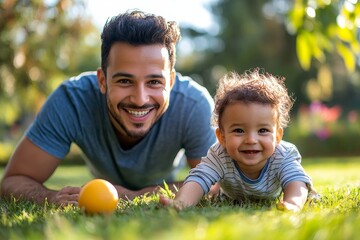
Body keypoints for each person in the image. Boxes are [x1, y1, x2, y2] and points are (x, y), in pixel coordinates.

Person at [0, 10, 216, 205]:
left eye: (154, 82)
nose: (140, 99)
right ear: (102, 81)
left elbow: (216, 184)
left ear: (170, 82)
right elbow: (13, 181)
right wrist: (49, 197)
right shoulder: (72, 101)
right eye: (124, 81)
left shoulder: (194, 105)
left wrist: (133, 196)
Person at [160, 69, 317, 212]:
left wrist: (293, 203)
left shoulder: (283, 155)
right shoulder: (219, 155)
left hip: (274, 195)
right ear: (222, 137)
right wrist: (181, 203)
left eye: (263, 130)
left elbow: (296, 182)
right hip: (231, 199)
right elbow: (198, 180)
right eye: (239, 131)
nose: (251, 140)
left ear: (277, 137)